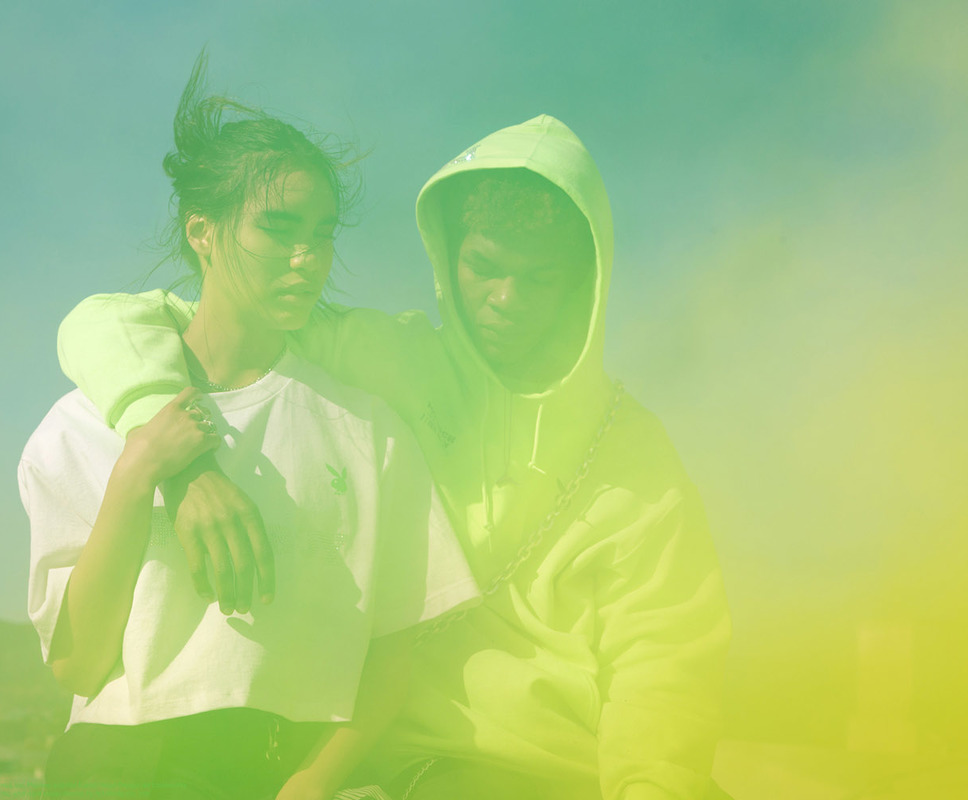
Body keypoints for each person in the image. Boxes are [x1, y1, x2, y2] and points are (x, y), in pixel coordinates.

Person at [58, 114, 732, 799]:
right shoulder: (392, 361)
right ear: (448, 259)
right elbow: (115, 322)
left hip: (579, 769)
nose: (506, 299)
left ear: (585, 281)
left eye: (540, 278)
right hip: (410, 764)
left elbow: (665, 653)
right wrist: (177, 458)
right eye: (484, 268)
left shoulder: (631, 447)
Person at [18, 55, 478, 800]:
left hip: (283, 768)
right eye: (277, 226)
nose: (307, 258)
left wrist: (311, 784)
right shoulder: (81, 426)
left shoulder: (369, 431)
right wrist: (142, 472)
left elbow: (396, 653)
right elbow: (77, 664)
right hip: (117, 768)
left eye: (322, 233)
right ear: (202, 231)